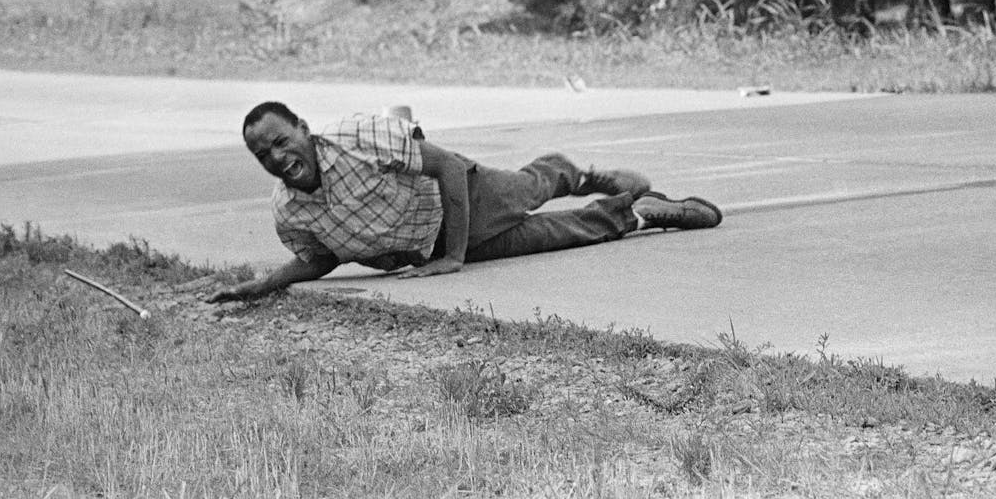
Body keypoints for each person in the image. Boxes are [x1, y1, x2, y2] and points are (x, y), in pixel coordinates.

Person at [206, 101, 722, 302]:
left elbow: (448, 167)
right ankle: (639, 211)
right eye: (262, 154)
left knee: (530, 190)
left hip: (462, 196)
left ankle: (573, 172)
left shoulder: (353, 137)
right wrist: (265, 284)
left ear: (302, 129)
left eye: (280, 141)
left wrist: (453, 258)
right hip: (430, 248)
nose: (276, 157)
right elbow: (318, 258)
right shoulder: (290, 211)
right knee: (555, 236)